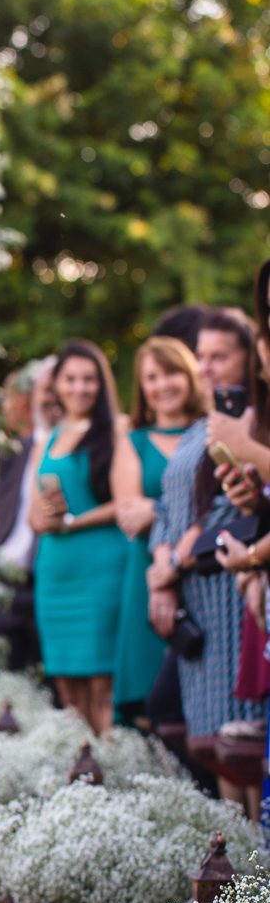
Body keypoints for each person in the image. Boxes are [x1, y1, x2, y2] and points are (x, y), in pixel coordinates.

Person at [147, 310, 264, 752]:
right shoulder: (201, 426)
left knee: (237, 738)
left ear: (249, 359)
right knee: (204, 736)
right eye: (201, 356)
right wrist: (161, 563)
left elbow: (229, 509)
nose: (206, 367)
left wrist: (175, 564)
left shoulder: (253, 422)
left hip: (230, 587)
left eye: (220, 356)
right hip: (193, 598)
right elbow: (167, 505)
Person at [29, 339, 127, 735]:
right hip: (55, 575)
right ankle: (84, 776)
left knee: (103, 682)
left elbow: (125, 501)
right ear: (57, 385)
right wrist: (45, 519)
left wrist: (71, 522)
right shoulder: (48, 438)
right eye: (71, 378)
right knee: (67, 683)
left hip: (102, 569)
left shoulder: (118, 430)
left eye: (89, 379)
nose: (80, 387)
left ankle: (112, 768)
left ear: (102, 384)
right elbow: (35, 516)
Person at [111, 338, 207, 719]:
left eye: (171, 373)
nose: (163, 384)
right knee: (151, 697)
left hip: (203, 568)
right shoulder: (132, 441)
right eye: (152, 377)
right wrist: (182, 509)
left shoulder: (211, 431)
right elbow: (130, 516)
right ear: (142, 388)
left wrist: (160, 509)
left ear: (189, 376)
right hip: (149, 572)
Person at [0, 358, 57, 670]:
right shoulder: (9, 451)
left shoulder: (66, 448)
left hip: (45, 577)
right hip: (2, 575)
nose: (4, 408)